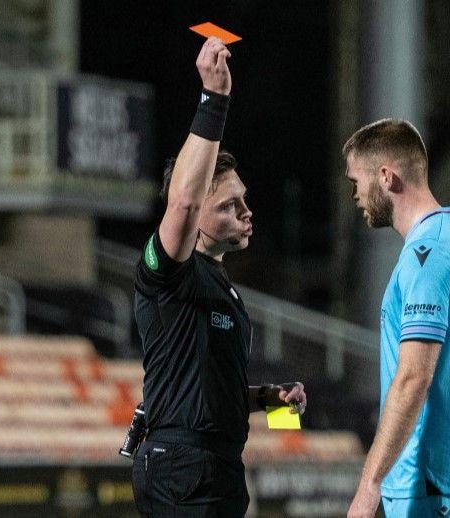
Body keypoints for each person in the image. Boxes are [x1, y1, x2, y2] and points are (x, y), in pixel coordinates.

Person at [130, 37, 306, 517]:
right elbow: (183, 201)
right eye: (229, 205)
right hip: (181, 469)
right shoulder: (169, 274)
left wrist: (273, 401)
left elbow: (214, 397)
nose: (248, 212)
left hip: (215, 467)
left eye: (244, 200)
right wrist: (214, 98)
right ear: (196, 217)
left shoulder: (224, 288)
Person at [343, 119, 450, 518]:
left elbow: (414, 376)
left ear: (386, 177)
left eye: (356, 181)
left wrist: (369, 485)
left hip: (430, 480)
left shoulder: (426, 253)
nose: (354, 194)